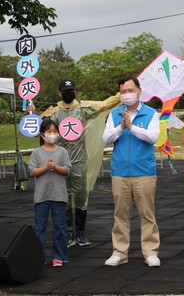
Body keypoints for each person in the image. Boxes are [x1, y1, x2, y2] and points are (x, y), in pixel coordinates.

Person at [45, 79, 120, 248]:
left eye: (71, 90)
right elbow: (41, 128)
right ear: (59, 93)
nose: (68, 93)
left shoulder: (82, 110)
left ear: (75, 92)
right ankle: (68, 232)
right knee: (63, 195)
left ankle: (80, 232)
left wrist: (120, 95)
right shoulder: (54, 113)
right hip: (60, 161)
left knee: (80, 195)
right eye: (65, 91)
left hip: (79, 160)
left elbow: (103, 106)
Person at [102, 76, 161, 267]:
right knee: (120, 214)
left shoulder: (151, 113)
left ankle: (150, 252)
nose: (127, 95)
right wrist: (121, 127)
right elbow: (107, 139)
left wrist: (132, 127)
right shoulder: (115, 114)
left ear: (139, 91)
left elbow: (152, 137)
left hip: (144, 171)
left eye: (130, 90)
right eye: (123, 91)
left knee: (147, 214)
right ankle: (119, 252)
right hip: (120, 171)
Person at [29, 119, 72, 267]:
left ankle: (59, 256)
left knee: (60, 227)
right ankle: (39, 258)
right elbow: (33, 172)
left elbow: (67, 170)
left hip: (59, 195)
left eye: (55, 131)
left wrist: (55, 167)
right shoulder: (36, 152)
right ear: (42, 135)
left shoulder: (62, 151)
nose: (52, 134)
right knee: (39, 228)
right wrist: (46, 167)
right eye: (49, 131)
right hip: (41, 196)